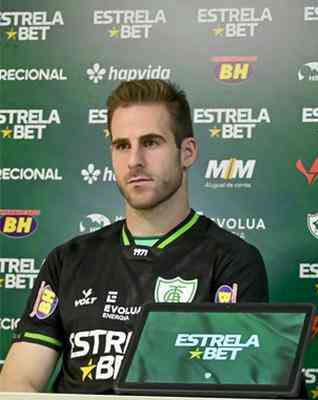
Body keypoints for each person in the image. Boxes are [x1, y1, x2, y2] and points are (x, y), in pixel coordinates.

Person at [0, 79, 269, 393]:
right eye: (122, 145)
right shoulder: (67, 260)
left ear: (187, 152)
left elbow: (234, 390)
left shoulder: (232, 262)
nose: (134, 161)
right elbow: (18, 382)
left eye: (151, 142)